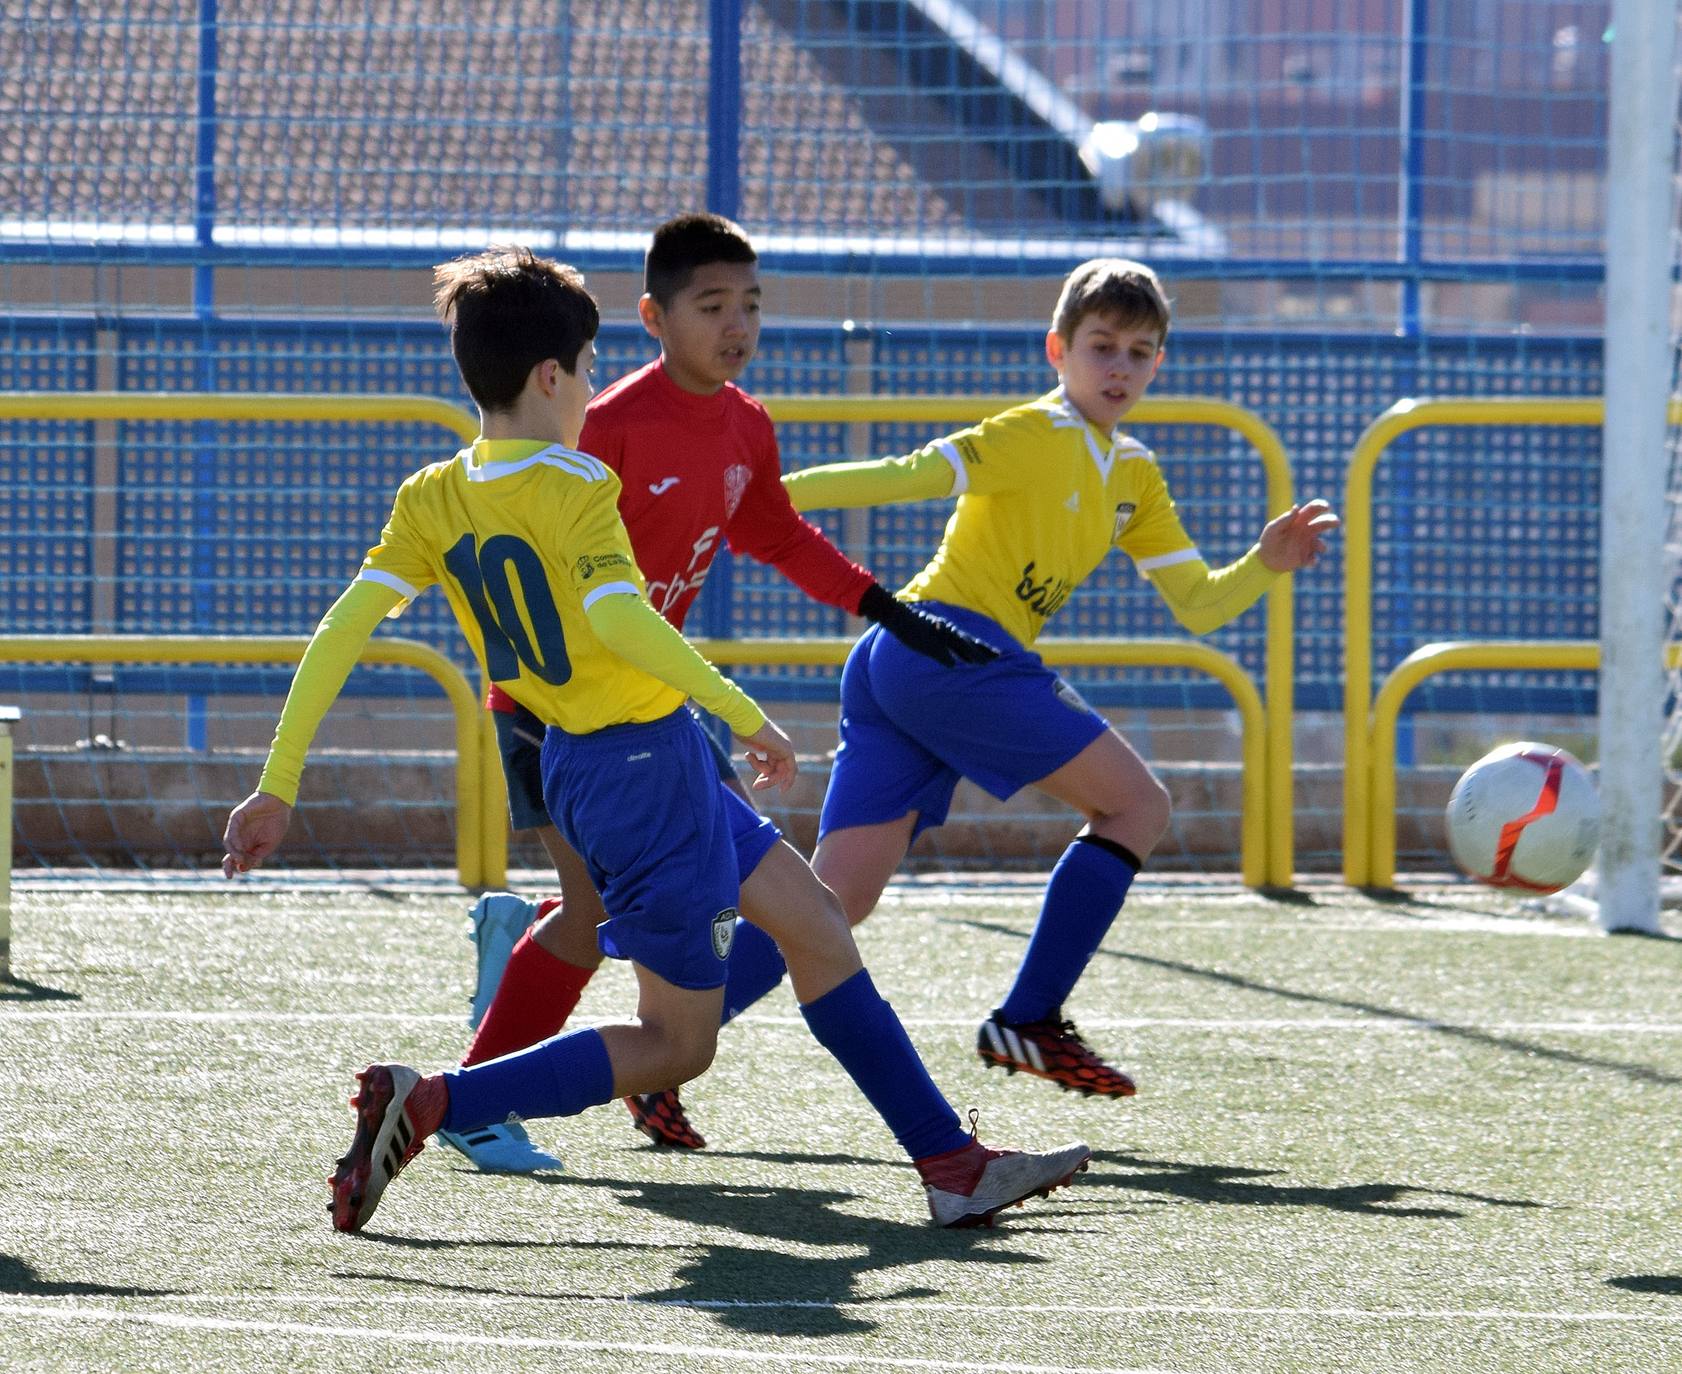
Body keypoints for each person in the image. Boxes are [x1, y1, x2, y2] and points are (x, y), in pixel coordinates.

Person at [219, 245, 1090, 1234]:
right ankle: (433, 1105)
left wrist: (275, 784)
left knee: (811, 922)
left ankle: (950, 1163)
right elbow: (624, 621)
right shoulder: (578, 483)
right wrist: (741, 710)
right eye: (588, 370)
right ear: (552, 377)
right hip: (640, 767)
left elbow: (340, 632)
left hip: (624, 759)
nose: (595, 389)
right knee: (677, 1045)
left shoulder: (432, 495)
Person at [454, 211, 995, 1171]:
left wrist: (886, 606)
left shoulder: (746, 423)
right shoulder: (602, 425)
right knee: (589, 924)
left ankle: (927, 1153)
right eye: (712, 305)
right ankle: (480, 1096)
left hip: (657, 716)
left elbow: (778, 533)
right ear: (654, 317)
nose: (737, 324)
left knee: (794, 909)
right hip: (564, 722)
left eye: (751, 303)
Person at [766, 257, 1341, 1097]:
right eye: (1101, 346)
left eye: (1140, 353)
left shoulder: (1134, 475)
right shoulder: (1032, 433)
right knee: (1139, 804)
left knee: (829, 905)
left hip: (906, 666)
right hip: (949, 648)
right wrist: (759, 503)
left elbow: (1200, 604)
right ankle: (1028, 1019)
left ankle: (672, 1038)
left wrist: (1262, 562)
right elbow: (904, 476)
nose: (1120, 367)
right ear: (1057, 351)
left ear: (1158, 366)